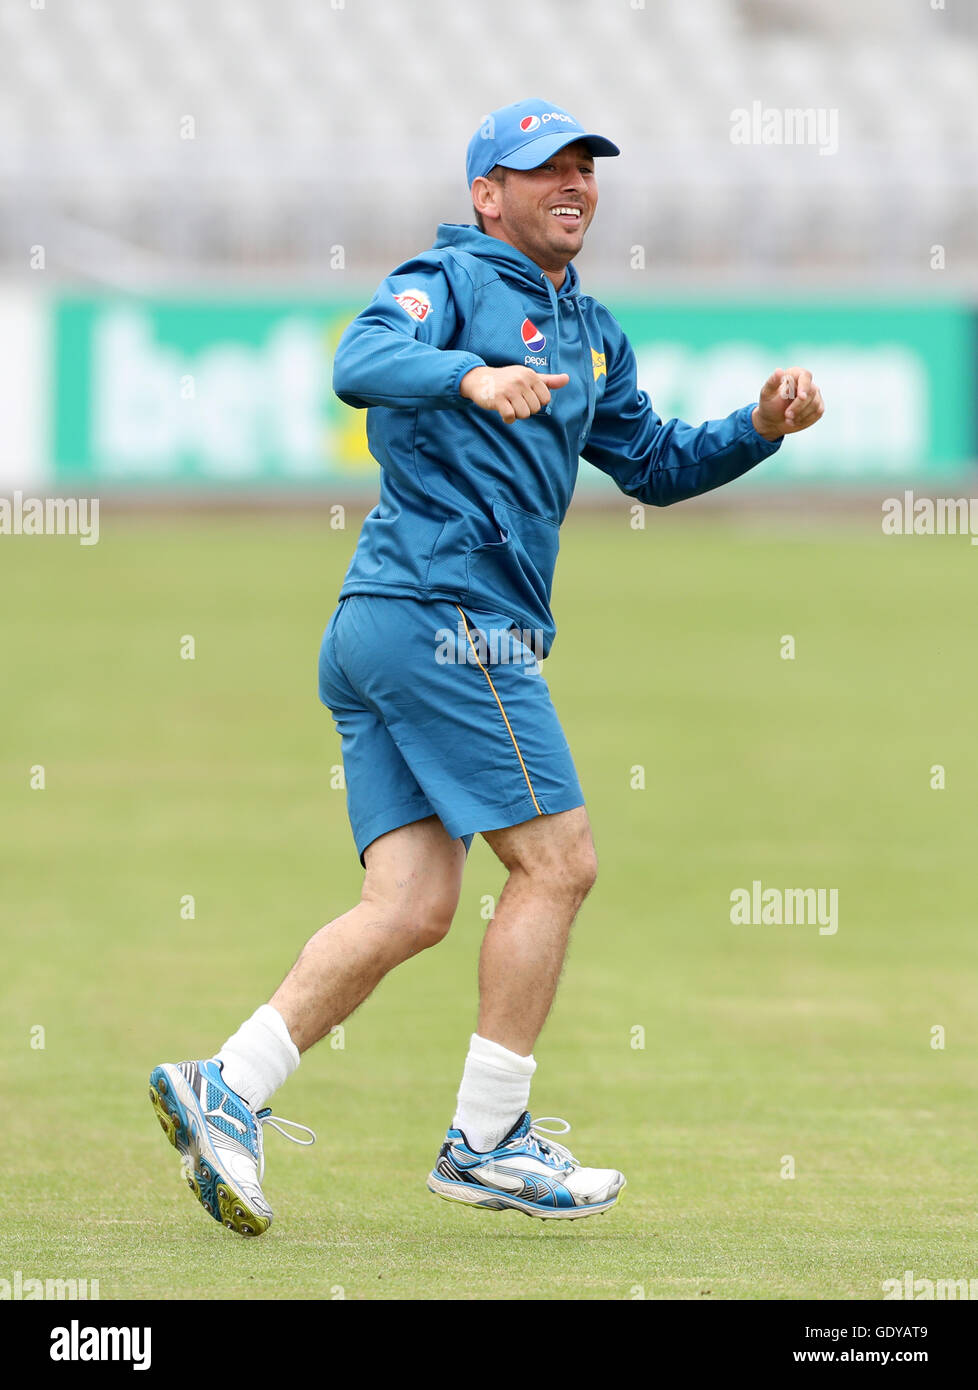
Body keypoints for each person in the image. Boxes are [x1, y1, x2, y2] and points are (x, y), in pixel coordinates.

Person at [149, 97, 824, 1235]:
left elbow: (652, 464)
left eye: (584, 169)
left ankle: (229, 1085)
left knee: (411, 903)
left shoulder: (593, 330)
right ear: (485, 193)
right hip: (446, 619)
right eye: (541, 168)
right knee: (559, 863)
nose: (572, 184)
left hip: (385, 625)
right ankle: (489, 1137)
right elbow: (360, 358)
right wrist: (465, 376)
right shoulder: (451, 277)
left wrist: (757, 427)